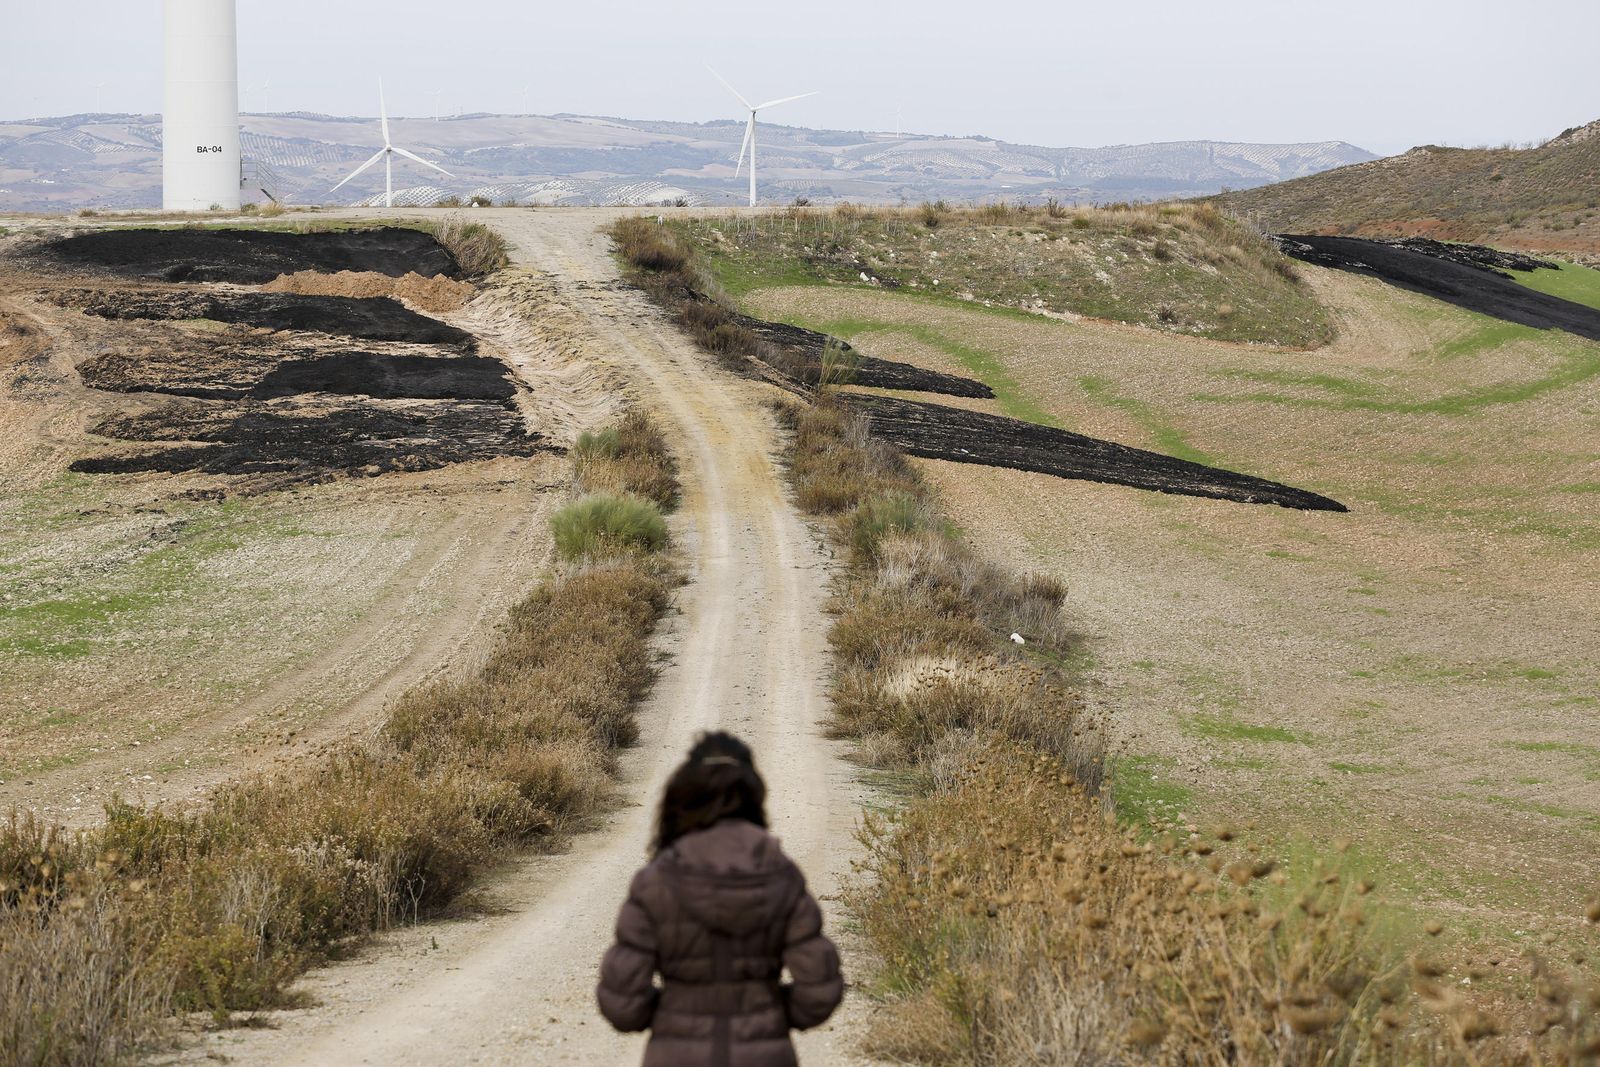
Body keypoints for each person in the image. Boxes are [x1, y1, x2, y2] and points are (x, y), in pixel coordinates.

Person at [597, 732, 844, 1067]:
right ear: (754, 795)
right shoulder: (780, 875)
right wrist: (771, 1012)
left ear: (683, 795)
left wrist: (670, 1013)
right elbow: (819, 989)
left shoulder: (656, 881)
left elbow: (622, 1003)